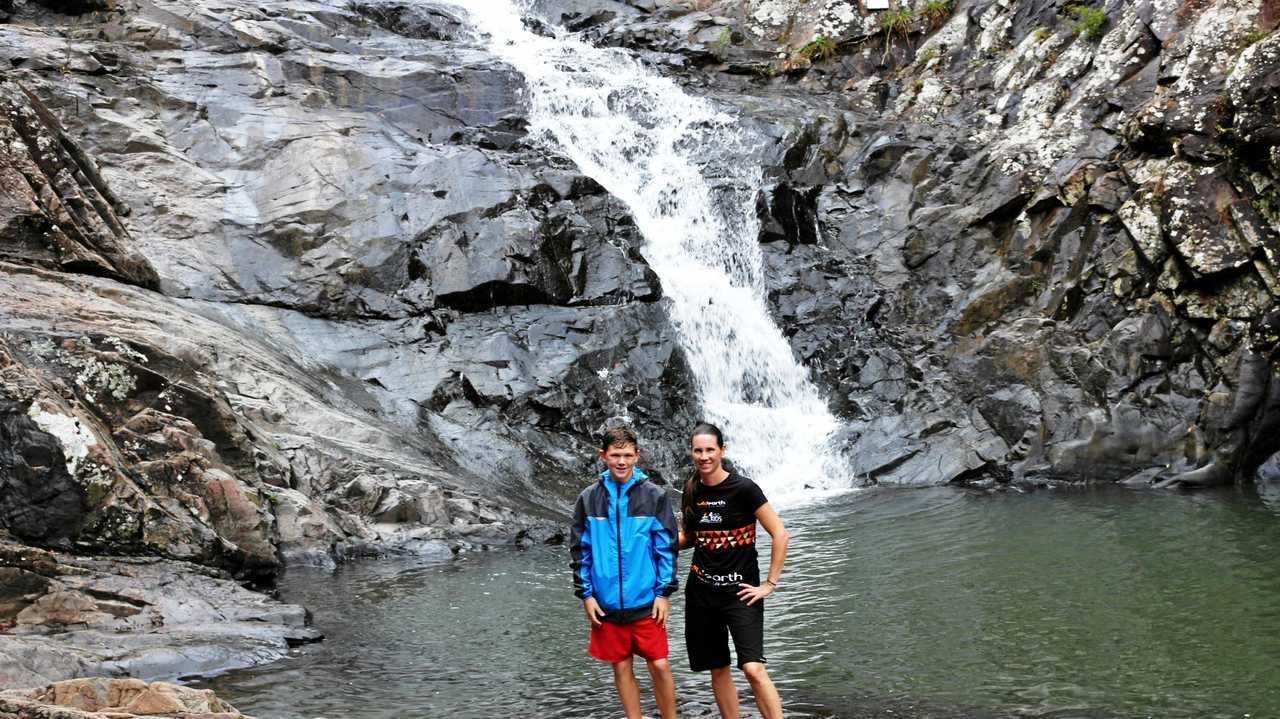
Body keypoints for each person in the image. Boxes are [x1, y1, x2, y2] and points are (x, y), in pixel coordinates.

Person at [679, 422, 790, 719]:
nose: (704, 456)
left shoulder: (744, 489)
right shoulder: (691, 489)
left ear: (722, 450)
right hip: (701, 594)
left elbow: (780, 533)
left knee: (753, 668)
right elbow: (690, 537)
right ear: (692, 452)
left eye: (710, 450)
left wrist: (769, 583)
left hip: (741, 594)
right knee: (718, 669)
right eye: (698, 450)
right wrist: (652, 542)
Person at [570, 426, 680, 719]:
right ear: (603, 456)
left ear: (637, 456)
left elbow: (666, 548)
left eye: (628, 455)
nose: (622, 462)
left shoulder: (654, 496)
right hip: (606, 604)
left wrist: (664, 593)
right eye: (616, 455)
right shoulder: (588, 498)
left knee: (659, 664)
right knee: (621, 665)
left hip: (646, 601)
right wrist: (586, 595)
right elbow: (581, 550)